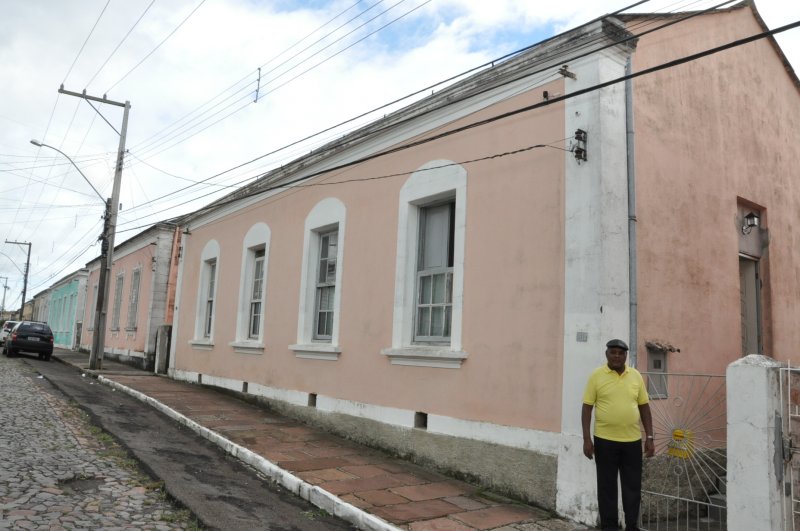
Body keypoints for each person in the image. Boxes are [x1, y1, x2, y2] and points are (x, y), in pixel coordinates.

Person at [582, 339, 654, 531]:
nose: (616, 356)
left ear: (625, 356)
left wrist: (650, 437)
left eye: (620, 353)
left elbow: (644, 407)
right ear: (606, 354)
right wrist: (587, 439)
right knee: (607, 487)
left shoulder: (636, 376)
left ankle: (632, 526)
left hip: (632, 441)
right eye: (612, 352)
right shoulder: (596, 376)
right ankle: (609, 526)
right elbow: (587, 408)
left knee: (632, 487)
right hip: (604, 441)